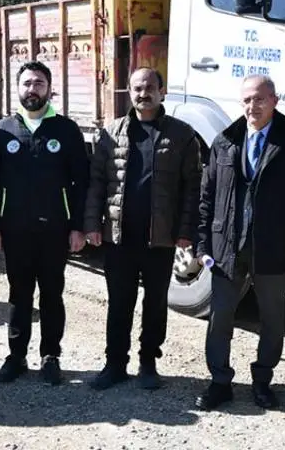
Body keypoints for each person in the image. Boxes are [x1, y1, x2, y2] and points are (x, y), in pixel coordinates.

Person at [194, 74, 285, 411]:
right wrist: (203, 245)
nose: (253, 106)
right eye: (247, 100)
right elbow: (206, 197)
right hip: (226, 249)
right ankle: (219, 382)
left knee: (272, 320)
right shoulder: (225, 141)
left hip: (272, 249)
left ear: (274, 101)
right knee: (220, 318)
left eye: (260, 99)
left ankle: (263, 381)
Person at [84, 67, 201, 391]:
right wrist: (93, 224)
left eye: (149, 87)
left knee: (155, 304)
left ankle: (148, 363)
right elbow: (97, 183)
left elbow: (193, 187)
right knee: (119, 302)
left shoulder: (182, 134)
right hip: (120, 237)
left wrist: (186, 230)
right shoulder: (111, 133)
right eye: (137, 88)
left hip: (160, 239)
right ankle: (115, 364)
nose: (143, 93)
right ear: (129, 92)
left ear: (162, 91)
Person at [0, 61, 89, 385]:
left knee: (52, 294)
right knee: (19, 295)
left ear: (49, 88)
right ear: (18, 88)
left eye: (39, 83)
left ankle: (50, 356)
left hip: (54, 230)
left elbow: (80, 183)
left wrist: (77, 227)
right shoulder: (3, 131)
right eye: (28, 83)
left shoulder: (66, 130)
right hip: (15, 230)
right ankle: (16, 357)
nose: (33, 89)